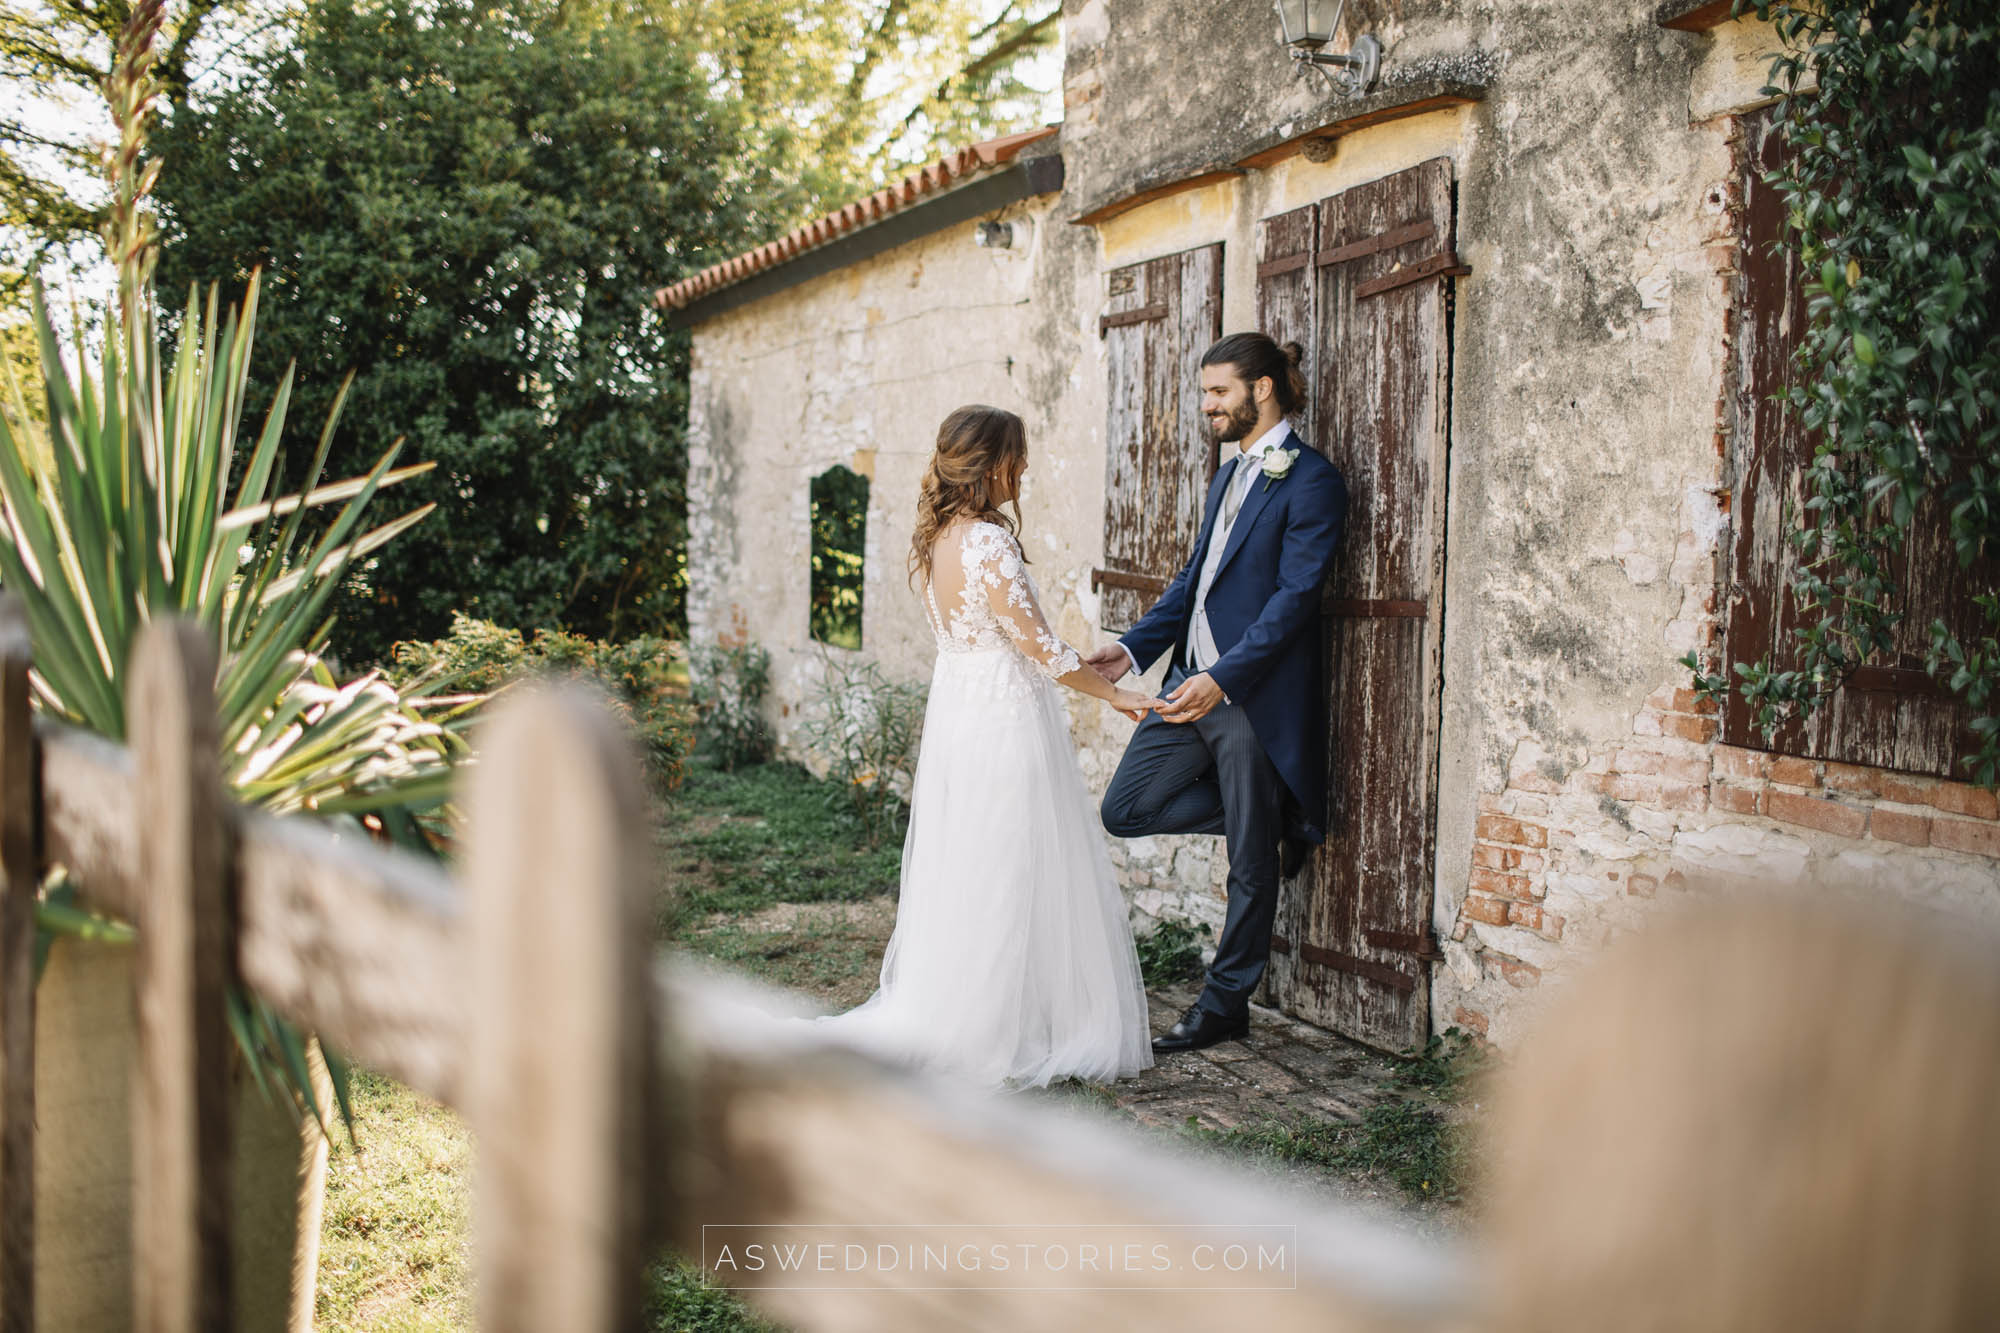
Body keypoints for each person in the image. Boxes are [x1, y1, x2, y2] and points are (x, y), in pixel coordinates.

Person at [807, 404, 1159, 1090]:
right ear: (990, 462)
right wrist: (1116, 694)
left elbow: (1011, 640)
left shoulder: (942, 538)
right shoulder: (987, 542)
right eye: (1017, 457)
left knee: (978, 865)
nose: (1024, 469)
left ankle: (988, 1008)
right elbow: (1035, 645)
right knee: (1012, 867)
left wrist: (1072, 662)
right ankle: (1000, 1027)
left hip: (965, 719)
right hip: (1003, 725)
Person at [1088, 333, 1348, 1055]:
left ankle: (1224, 1001)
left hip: (1246, 696)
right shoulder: (1226, 476)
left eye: (1218, 392)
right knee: (1127, 807)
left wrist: (1224, 677)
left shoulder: (1312, 481)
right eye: (1206, 393)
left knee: (1248, 867)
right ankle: (1271, 822)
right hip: (1183, 680)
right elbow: (1193, 582)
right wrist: (1133, 646)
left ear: (1262, 388)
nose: (1207, 406)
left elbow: (1294, 602)